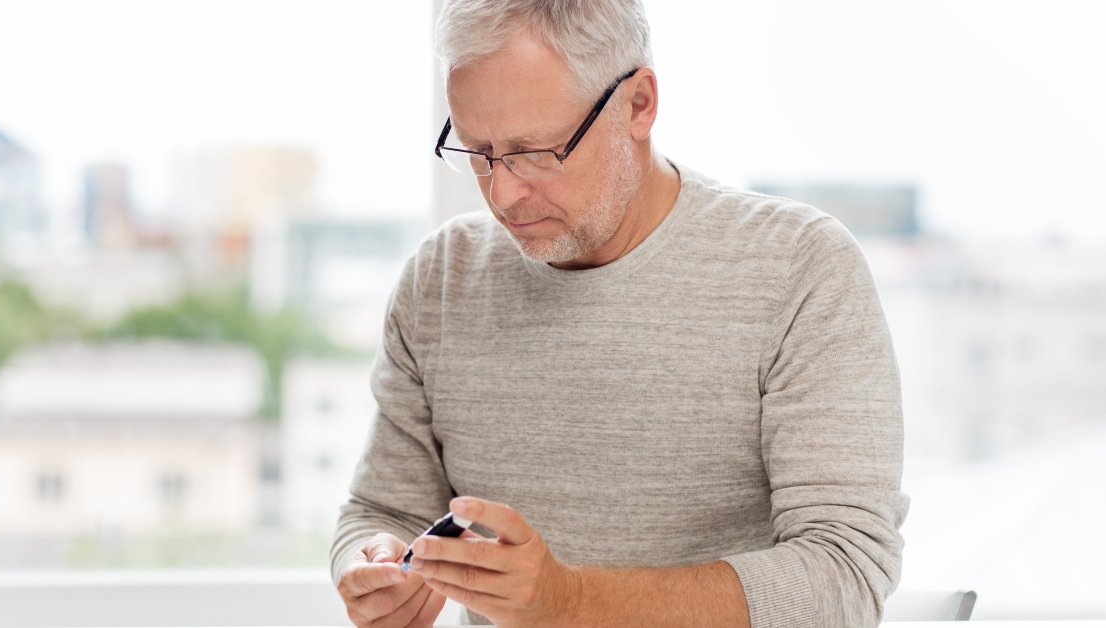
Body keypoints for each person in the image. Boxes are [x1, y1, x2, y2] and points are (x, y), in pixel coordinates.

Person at [331, 1, 908, 626]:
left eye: (537, 151)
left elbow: (844, 576)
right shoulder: (441, 278)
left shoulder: (799, 266)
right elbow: (380, 511)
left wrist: (570, 603)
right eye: (479, 151)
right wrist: (373, 569)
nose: (503, 193)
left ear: (639, 104)